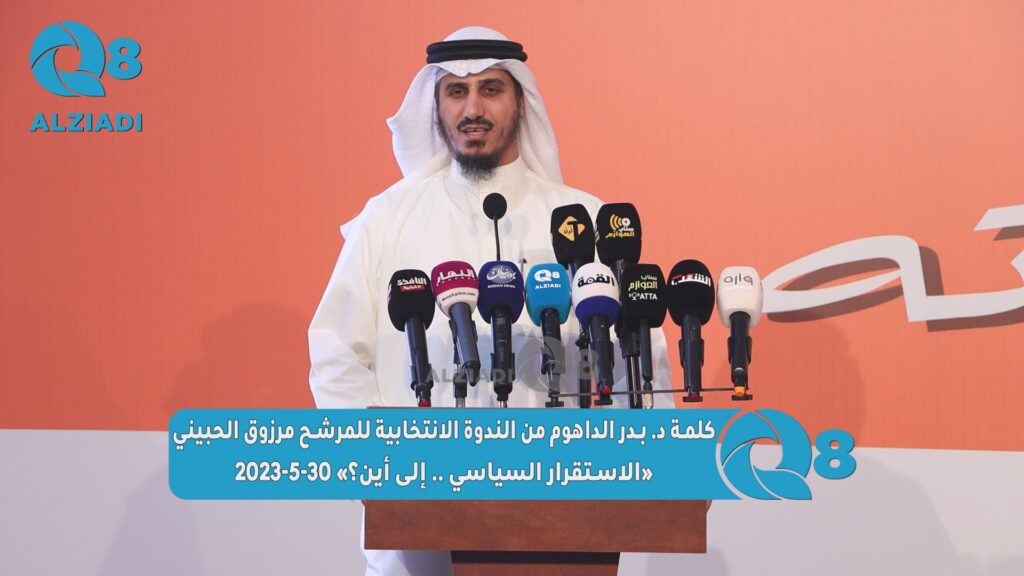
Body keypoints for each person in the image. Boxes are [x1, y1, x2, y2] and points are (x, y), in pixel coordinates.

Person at [308, 26, 673, 576]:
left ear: (521, 102)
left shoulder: (585, 220)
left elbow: (641, 367)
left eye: (491, 89)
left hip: (566, 521)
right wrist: (386, 470)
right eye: (456, 92)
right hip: (415, 536)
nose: (472, 109)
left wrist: (644, 471)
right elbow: (336, 355)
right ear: (435, 106)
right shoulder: (387, 219)